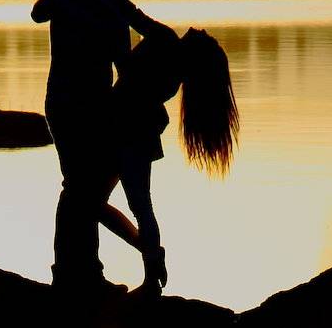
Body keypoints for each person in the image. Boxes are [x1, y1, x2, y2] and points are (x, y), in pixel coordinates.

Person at [31, 0, 146, 291]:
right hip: (84, 107)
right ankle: (78, 273)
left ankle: (77, 271)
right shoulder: (108, 11)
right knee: (83, 190)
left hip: (66, 103)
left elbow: (39, 12)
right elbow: (124, 66)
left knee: (79, 189)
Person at [98, 17, 239, 295]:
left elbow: (130, 17)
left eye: (196, 35)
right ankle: (151, 257)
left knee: (105, 203)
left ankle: (152, 267)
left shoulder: (165, 40)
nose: (193, 29)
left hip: (127, 132)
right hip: (136, 133)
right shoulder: (174, 75)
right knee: (129, 205)